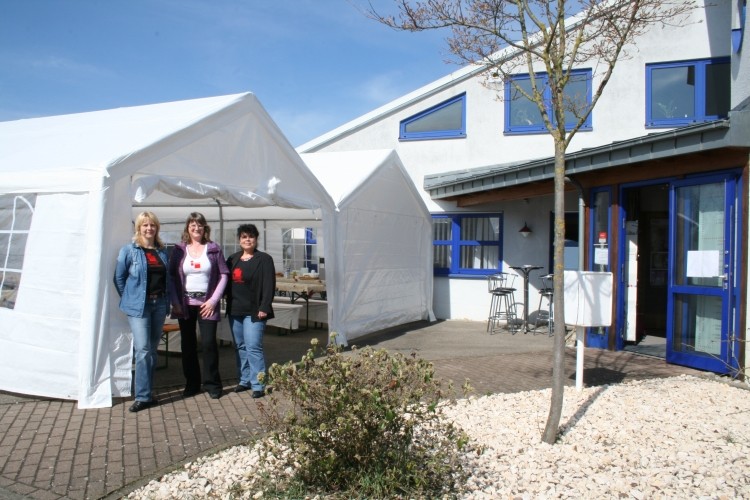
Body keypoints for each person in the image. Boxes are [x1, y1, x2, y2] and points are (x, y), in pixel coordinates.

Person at [168, 213, 229, 399]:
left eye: (200, 225)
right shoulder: (179, 250)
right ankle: (192, 384)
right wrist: (175, 302)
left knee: (209, 344)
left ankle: (212, 384)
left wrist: (213, 301)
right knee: (188, 345)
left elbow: (224, 274)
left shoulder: (213, 249)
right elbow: (171, 276)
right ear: (188, 228)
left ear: (205, 228)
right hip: (185, 305)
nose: (196, 228)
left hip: (207, 305)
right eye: (193, 225)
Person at [113, 211, 170, 413]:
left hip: (159, 304)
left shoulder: (162, 252)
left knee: (152, 350)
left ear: (157, 228)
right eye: (145, 225)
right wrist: (130, 298)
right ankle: (143, 396)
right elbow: (119, 278)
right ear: (139, 228)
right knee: (143, 350)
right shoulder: (129, 250)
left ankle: (148, 391)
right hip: (140, 307)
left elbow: (168, 278)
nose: (149, 228)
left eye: (152, 225)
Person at [225, 223, 276, 398]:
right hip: (235, 310)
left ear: (256, 239)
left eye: (251, 236)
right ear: (239, 240)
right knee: (240, 346)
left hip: (255, 311)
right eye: (244, 237)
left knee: (253, 346)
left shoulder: (264, 259)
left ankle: (258, 384)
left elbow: (269, 285)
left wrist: (264, 306)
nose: (247, 240)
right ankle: (244, 380)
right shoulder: (233, 259)